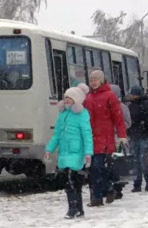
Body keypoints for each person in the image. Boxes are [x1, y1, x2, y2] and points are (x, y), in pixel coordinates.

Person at [45, 83, 93, 219]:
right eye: (66, 97)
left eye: (70, 98)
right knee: (72, 181)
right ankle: (78, 209)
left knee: (70, 181)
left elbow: (87, 134)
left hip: (76, 152)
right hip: (64, 153)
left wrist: (88, 152)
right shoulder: (63, 114)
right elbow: (57, 134)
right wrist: (49, 149)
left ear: (76, 100)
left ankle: (73, 209)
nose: (66, 100)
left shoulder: (82, 114)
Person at [83, 70, 127, 206]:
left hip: (105, 139)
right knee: (95, 169)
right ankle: (107, 190)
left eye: (96, 79)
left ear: (102, 80)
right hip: (91, 139)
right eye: (91, 80)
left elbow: (118, 118)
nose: (93, 82)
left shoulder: (110, 96)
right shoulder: (88, 97)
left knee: (97, 168)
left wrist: (122, 135)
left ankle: (98, 197)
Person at [127, 85, 148, 192]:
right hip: (138, 135)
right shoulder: (144, 103)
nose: (132, 96)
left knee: (140, 161)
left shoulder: (138, 105)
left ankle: (141, 183)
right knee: (139, 161)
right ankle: (142, 182)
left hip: (140, 136)